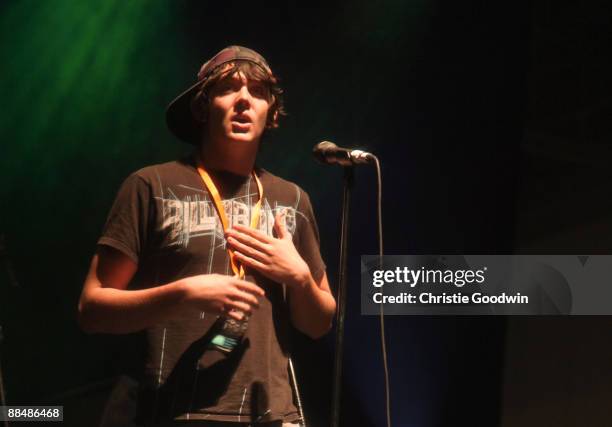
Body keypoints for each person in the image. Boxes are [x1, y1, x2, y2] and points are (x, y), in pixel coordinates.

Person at [78, 46, 336, 427]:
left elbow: (320, 323)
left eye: (258, 92)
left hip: (272, 415)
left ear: (271, 112)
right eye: (229, 88)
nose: (244, 100)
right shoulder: (150, 185)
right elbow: (92, 310)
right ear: (203, 106)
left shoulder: (293, 199)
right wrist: (184, 294)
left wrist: (298, 277)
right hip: (175, 411)